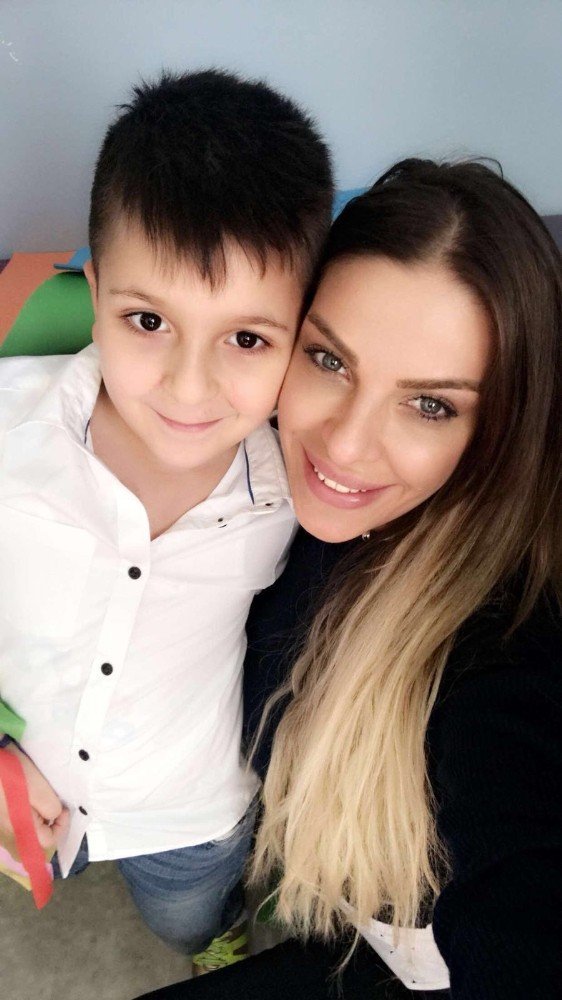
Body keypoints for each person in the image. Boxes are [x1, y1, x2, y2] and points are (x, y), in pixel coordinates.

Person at [134, 158, 562, 999]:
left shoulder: (504, 649)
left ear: (504, 428)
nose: (346, 444)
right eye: (329, 360)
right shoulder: (229, 444)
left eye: (431, 404)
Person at [0, 68, 333, 969]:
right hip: (27, 788)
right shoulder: (11, 430)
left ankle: (218, 931)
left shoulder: (299, 489)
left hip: (190, 815)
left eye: (247, 338)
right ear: (94, 291)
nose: (190, 388)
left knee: (186, 921)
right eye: (148, 320)